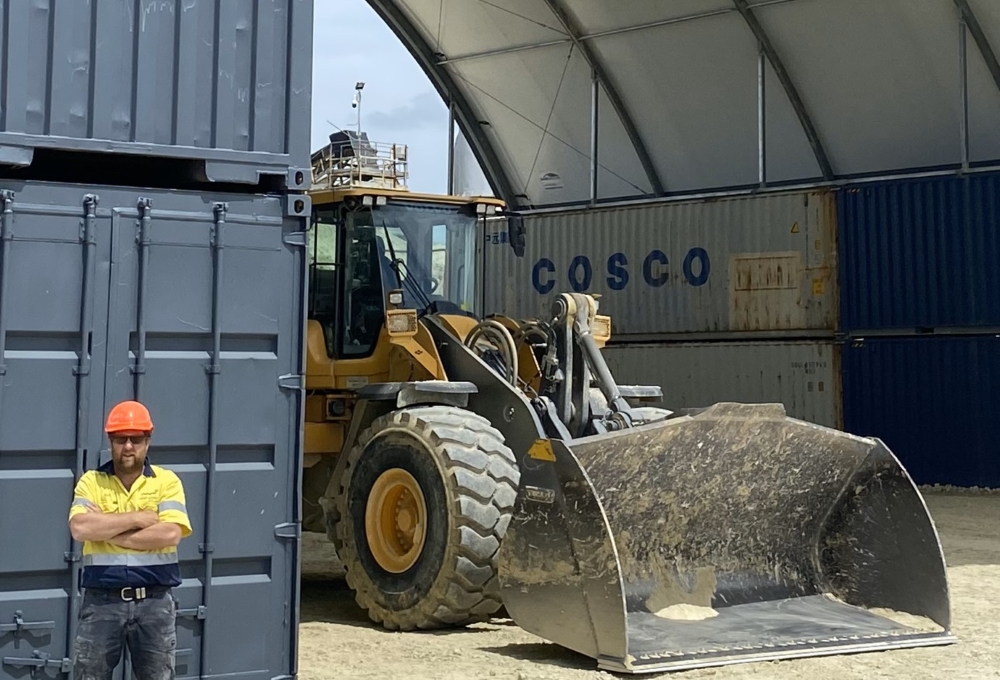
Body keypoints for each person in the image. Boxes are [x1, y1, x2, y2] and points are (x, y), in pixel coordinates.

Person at [68, 400, 193, 680]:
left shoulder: (167, 482)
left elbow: (170, 533)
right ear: (110, 441)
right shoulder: (91, 481)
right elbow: (79, 528)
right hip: (102, 602)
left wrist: (107, 530)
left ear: (147, 441)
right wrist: (138, 518)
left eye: (135, 439)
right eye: (120, 439)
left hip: (155, 602)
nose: (127, 446)